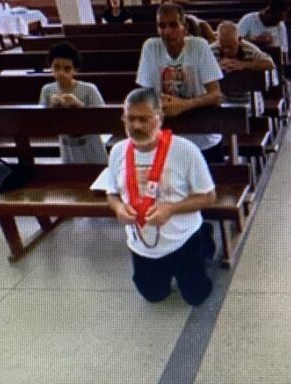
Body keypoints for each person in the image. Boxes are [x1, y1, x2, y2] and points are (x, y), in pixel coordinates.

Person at [91, 88, 217, 306]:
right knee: (154, 296)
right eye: (130, 119)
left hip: (182, 239)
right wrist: (119, 208)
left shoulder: (185, 150)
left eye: (144, 119)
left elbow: (209, 197)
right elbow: (111, 193)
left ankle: (203, 240)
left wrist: (171, 209)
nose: (136, 126)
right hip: (141, 242)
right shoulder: (118, 151)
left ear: (159, 119)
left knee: (197, 296)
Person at [136, 2, 224, 163]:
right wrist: (159, 102)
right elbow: (145, 94)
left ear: (184, 27)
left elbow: (216, 95)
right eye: (161, 26)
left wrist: (185, 104)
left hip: (203, 137)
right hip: (167, 137)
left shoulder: (199, 47)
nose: (167, 32)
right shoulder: (150, 47)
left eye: (173, 25)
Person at [38, 42, 108, 164]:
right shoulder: (47, 90)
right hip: (67, 146)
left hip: (91, 145)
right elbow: (42, 122)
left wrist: (79, 106)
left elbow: (102, 119)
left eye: (67, 68)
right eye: (57, 67)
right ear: (51, 67)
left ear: (75, 70)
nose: (61, 73)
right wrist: (51, 109)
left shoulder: (89, 89)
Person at [210, 21, 275, 106]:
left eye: (231, 47)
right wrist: (216, 67)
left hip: (248, 101)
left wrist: (243, 65)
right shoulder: (211, 51)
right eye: (223, 46)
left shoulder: (249, 49)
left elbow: (270, 64)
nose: (227, 50)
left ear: (239, 40)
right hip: (222, 101)